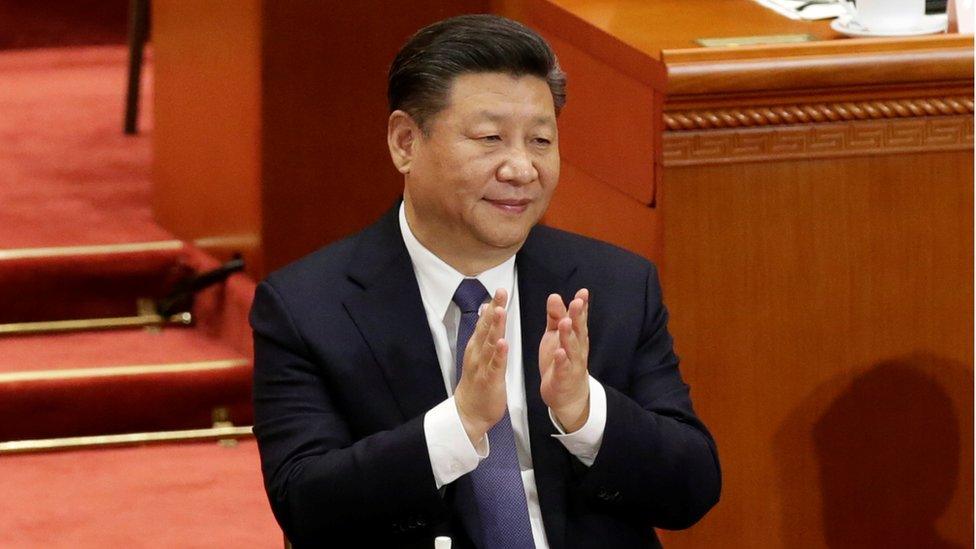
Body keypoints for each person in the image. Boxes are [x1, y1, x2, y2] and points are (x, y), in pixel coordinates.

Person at [250, 14, 720, 549]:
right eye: (490, 138)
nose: (522, 169)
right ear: (405, 142)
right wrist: (461, 423)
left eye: (541, 140)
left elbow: (693, 488)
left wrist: (585, 412)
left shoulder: (612, 284)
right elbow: (305, 504)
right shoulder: (308, 306)